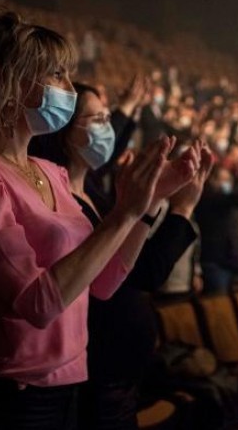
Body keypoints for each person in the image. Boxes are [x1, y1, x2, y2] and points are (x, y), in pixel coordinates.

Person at [0, 13, 178, 430]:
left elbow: (103, 282)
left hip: (74, 382)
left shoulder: (51, 172)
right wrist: (123, 212)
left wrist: (148, 202)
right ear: (4, 81)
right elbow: (40, 304)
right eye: (55, 75)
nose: (67, 88)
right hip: (18, 399)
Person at [31, 80, 213, 429]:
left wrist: (165, 196)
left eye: (107, 117)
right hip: (95, 372)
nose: (107, 126)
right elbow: (141, 276)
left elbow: (128, 268)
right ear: (65, 132)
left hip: (121, 376)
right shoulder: (58, 200)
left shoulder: (95, 196)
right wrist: (179, 208)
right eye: (97, 119)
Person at [195, 163, 238, 293]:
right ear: (212, 180)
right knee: (218, 307)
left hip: (228, 263)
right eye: (224, 179)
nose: (228, 184)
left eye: (229, 180)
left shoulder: (225, 200)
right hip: (214, 263)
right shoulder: (209, 197)